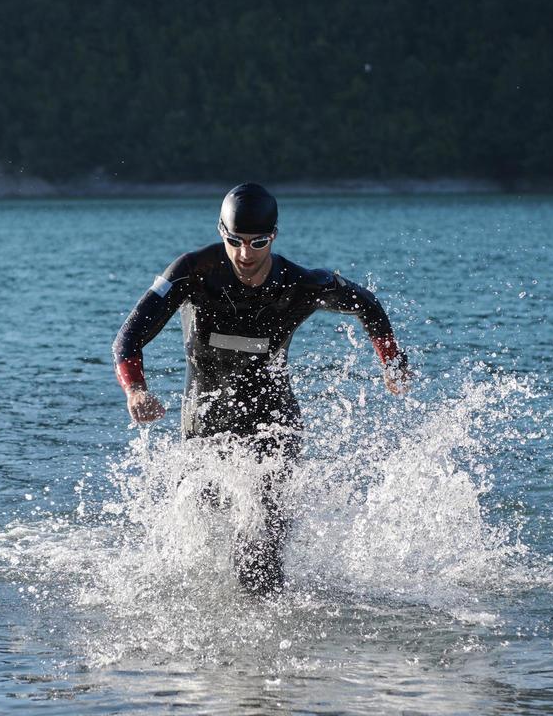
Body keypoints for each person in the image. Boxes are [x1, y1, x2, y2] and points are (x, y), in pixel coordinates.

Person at [112, 183, 411, 595]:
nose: (245, 253)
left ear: (274, 236)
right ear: (221, 231)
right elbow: (126, 340)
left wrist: (392, 361)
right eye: (234, 241)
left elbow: (367, 304)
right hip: (205, 421)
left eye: (258, 242)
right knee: (197, 523)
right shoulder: (192, 272)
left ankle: (274, 634)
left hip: (272, 422)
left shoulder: (300, 284)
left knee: (260, 544)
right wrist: (136, 391)